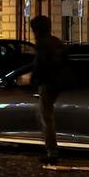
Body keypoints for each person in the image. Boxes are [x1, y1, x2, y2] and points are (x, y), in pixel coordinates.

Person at [30, 15, 68, 165]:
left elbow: (39, 65)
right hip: (59, 83)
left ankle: (52, 152)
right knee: (46, 117)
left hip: (48, 84)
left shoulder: (42, 44)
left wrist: (34, 80)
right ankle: (51, 150)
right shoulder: (57, 42)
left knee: (46, 118)